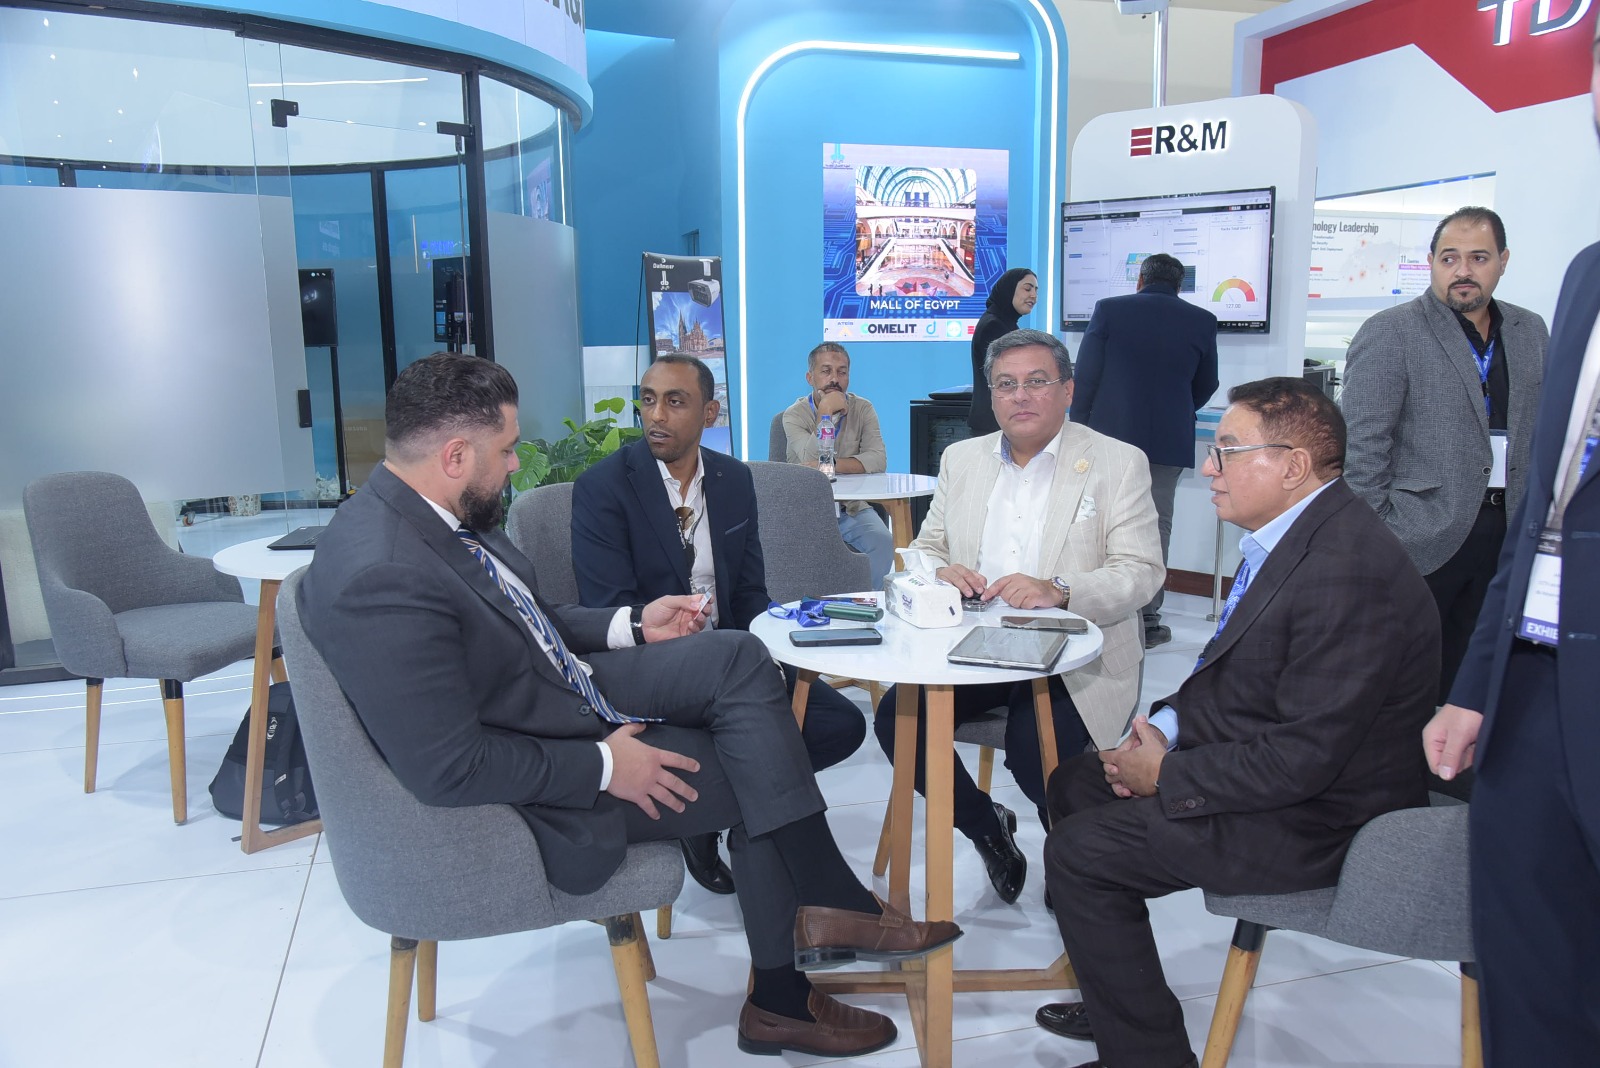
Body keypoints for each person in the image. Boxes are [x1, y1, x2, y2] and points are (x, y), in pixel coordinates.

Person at [297, 352, 959, 1058]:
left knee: (737, 656)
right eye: (508, 450)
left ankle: (830, 909)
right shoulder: (381, 574)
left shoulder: (435, 511)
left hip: (558, 689)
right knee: (761, 763)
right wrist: (606, 766)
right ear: (455, 454)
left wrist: (635, 623)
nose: (516, 465)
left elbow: (527, 620)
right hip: (541, 767)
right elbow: (450, 769)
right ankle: (784, 994)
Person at [1033, 377, 1438, 1068]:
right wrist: (1165, 729)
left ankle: (1148, 1058)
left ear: (1293, 466)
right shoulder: (1298, 538)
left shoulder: (1347, 572)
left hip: (1325, 819)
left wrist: (1168, 775)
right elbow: (1236, 679)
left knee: (1083, 854)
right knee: (1075, 785)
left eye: (1226, 451)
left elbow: (1303, 759)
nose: (1209, 468)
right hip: (1281, 775)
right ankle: (1121, 1003)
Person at [1422, 33, 1600, 1057]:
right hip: (1530, 689)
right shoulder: (1587, 278)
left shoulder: (1533, 316)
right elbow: (1546, 505)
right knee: (1528, 980)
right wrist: (1476, 684)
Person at [874, 328, 1163, 904]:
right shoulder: (962, 458)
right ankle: (987, 828)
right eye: (1006, 384)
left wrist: (1060, 590)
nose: (1021, 396)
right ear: (991, 395)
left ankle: (1072, 855)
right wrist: (941, 571)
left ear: (1067, 390)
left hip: (1072, 654)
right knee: (897, 722)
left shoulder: (1117, 462)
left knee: (1039, 758)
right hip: (972, 644)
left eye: (1037, 381)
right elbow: (926, 547)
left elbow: (1141, 572)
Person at [572, 354, 869, 897]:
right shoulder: (603, 487)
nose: (656, 415)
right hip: (650, 668)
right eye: (648, 400)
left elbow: (748, 592)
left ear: (710, 413)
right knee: (763, 734)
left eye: (675, 401)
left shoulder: (733, 479)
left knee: (841, 724)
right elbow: (607, 608)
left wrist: (781, 644)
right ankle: (781, 863)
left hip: (733, 655)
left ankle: (719, 815)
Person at [1341, 207, 1548, 706]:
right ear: (1431, 261)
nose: (1463, 271)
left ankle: (1459, 755)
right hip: (1420, 531)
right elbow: (1363, 446)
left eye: (1479, 258)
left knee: (1478, 678)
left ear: (1503, 261)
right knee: (1401, 681)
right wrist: (1380, 532)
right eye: (1449, 258)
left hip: (1509, 529)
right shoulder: (1393, 330)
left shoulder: (1530, 330)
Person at [1071, 252, 1219, 648]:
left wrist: (1079, 426)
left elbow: (1086, 375)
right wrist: (1178, 409)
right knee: (1156, 525)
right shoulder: (1202, 320)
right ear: (1179, 285)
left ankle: (1096, 608)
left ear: (1139, 279)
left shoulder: (1109, 310)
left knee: (1098, 519)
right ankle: (1148, 618)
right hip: (1168, 440)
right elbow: (1207, 383)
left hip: (1110, 437)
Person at [780, 342, 896, 582]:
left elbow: (878, 459)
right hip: (806, 508)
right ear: (810, 377)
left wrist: (830, 466)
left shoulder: (863, 409)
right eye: (826, 371)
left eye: (842, 372)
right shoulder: (794, 415)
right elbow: (808, 459)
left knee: (883, 542)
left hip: (850, 507)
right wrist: (825, 413)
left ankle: (867, 602)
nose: (834, 379)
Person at [967, 267, 1038, 435]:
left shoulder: (1005, 323)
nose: (1034, 296)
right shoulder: (994, 326)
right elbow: (1007, 377)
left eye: (1036, 290)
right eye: (1027, 289)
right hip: (994, 423)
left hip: (1001, 420)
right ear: (1009, 289)